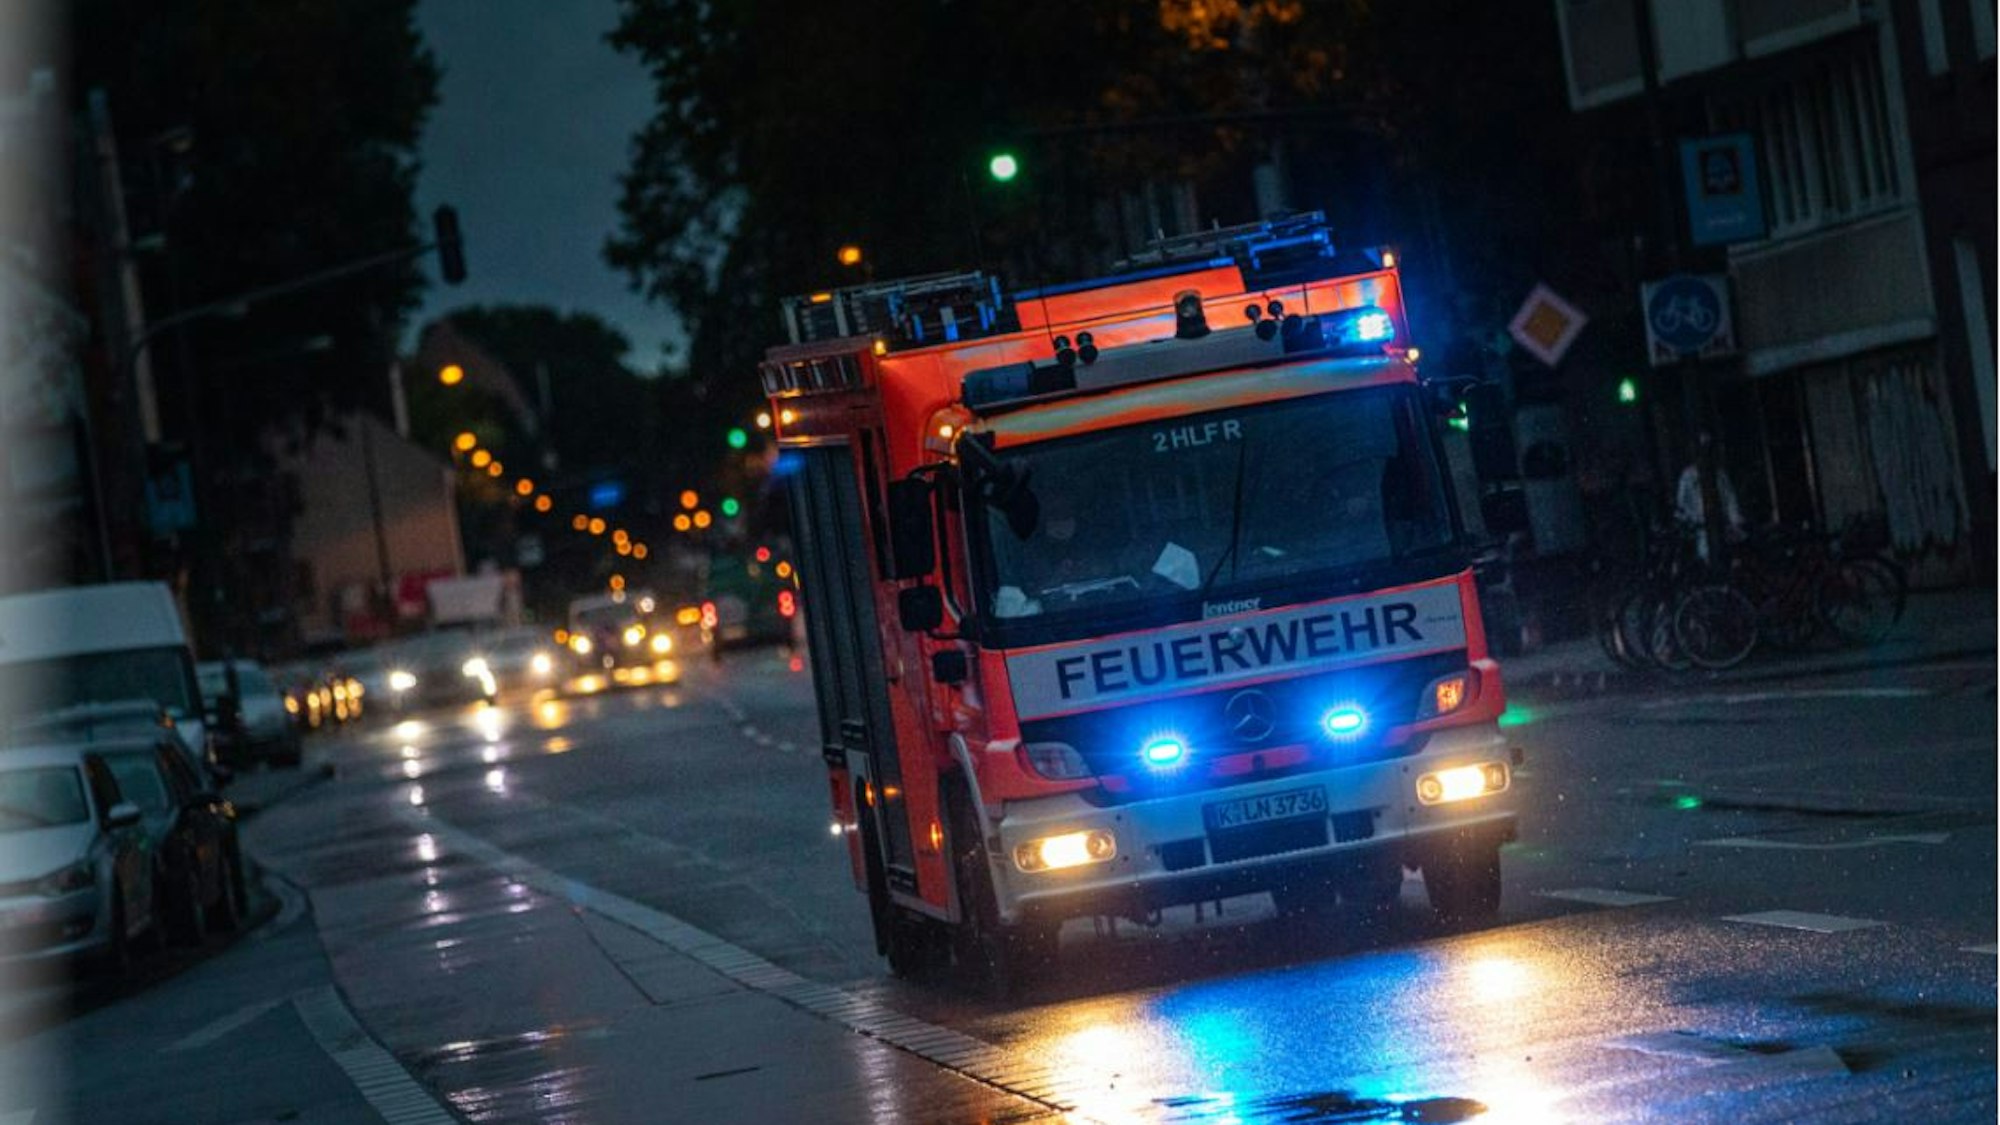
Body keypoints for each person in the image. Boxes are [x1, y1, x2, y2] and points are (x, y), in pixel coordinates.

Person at [1676, 432, 1744, 562]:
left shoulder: (1720, 475)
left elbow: (1730, 500)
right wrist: (1692, 522)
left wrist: (1735, 522)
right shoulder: (1687, 477)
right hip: (1701, 531)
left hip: (1723, 527)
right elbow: (1682, 506)